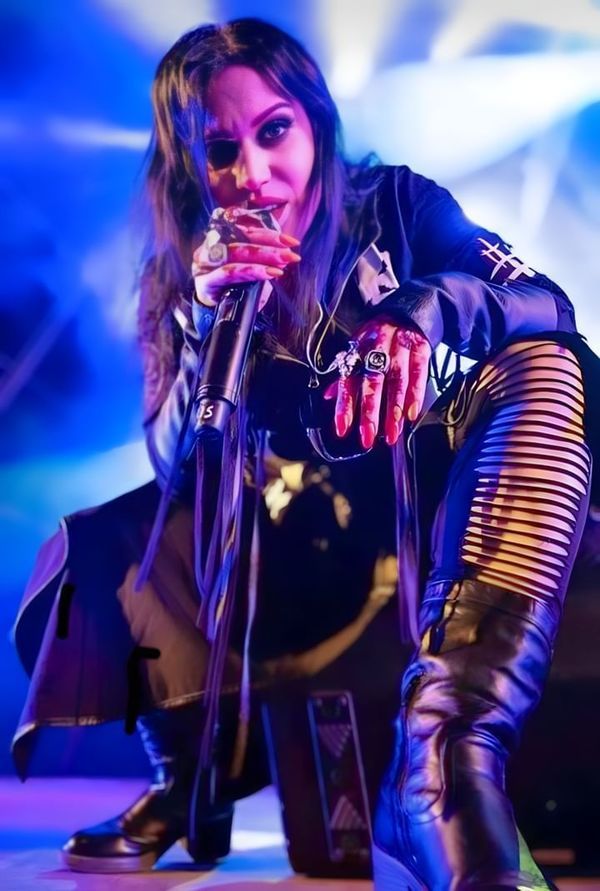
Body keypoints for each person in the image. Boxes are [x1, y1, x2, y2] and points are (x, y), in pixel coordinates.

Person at [12, 16, 599, 887]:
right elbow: (174, 457)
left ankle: (445, 752)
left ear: (316, 125)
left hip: (413, 529)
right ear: (189, 164)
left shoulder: (396, 205)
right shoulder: (184, 270)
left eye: (274, 131)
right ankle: (187, 779)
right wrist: (208, 322)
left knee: (549, 367)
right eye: (219, 150)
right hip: (272, 556)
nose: (252, 174)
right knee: (99, 545)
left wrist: (423, 312)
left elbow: (543, 303)